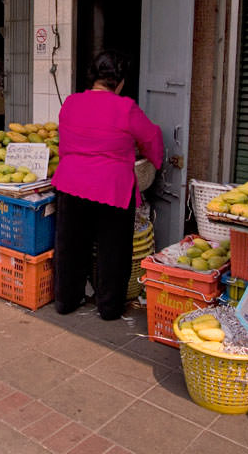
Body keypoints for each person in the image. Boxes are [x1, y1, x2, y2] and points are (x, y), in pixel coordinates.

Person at [52, 50, 163, 320]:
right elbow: (152, 139)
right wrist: (154, 160)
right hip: (112, 187)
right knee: (113, 250)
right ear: (120, 81)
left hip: (71, 182)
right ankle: (109, 308)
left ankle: (66, 301)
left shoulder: (71, 103)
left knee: (70, 246)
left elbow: (66, 140)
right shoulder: (126, 108)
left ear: (92, 77)